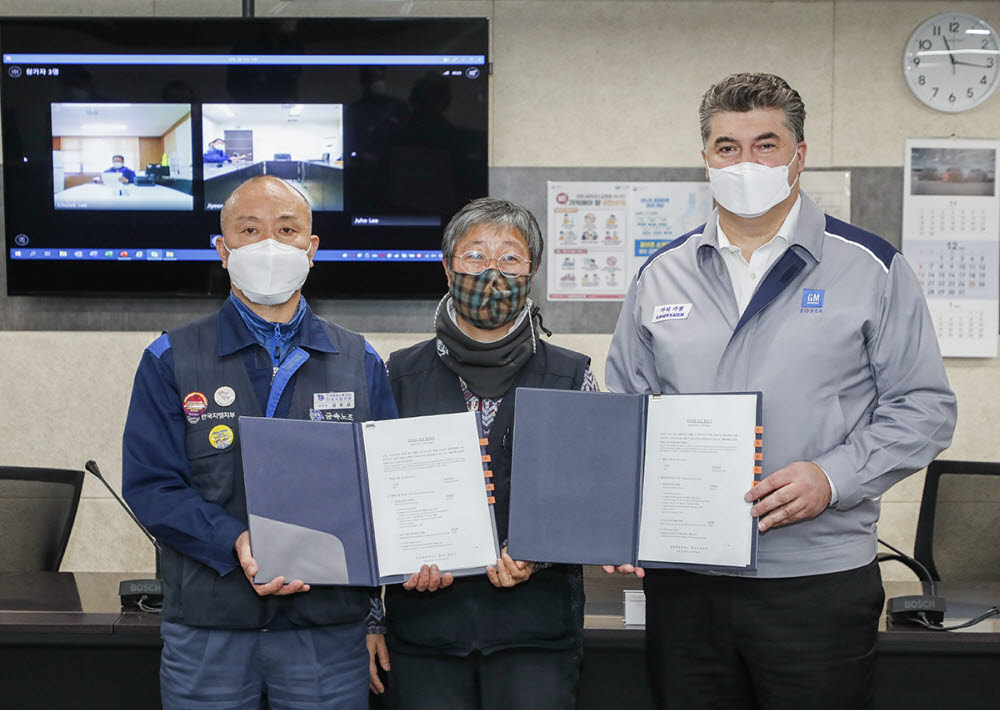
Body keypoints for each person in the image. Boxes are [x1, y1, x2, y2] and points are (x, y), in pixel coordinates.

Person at [605, 73, 957, 710]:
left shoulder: (870, 267)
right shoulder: (661, 275)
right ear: (706, 158)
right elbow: (627, 416)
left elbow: (925, 408)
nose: (746, 163)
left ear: (799, 154)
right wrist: (616, 520)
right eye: (728, 147)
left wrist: (832, 476)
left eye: (766, 145)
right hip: (686, 582)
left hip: (816, 580)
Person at [122, 175, 397, 710]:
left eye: (287, 229)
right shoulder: (170, 359)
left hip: (326, 633)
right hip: (209, 628)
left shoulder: (360, 363)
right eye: (250, 230)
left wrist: (374, 614)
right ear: (222, 251)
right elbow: (152, 486)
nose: (270, 244)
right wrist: (235, 540)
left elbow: (384, 494)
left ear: (312, 249)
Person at [368, 197, 598, 709]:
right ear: (447, 267)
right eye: (475, 256)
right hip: (426, 637)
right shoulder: (396, 376)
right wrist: (371, 620)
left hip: (536, 639)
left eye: (510, 258)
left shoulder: (571, 376)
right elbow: (368, 506)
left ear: (531, 273)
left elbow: (594, 494)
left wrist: (538, 554)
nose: (492, 271)